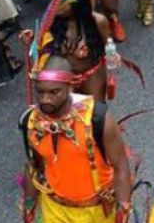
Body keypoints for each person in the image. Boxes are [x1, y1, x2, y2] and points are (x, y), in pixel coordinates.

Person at [20, 56, 134, 223]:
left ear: (70, 87)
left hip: (96, 213)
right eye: (40, 91)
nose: (45, 99)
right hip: (54, 211)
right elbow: (34, 165)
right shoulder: (30, 122)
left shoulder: (97, 119)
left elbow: (121, 165)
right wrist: (29, 206)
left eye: (54, 92)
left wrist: (123, 210)